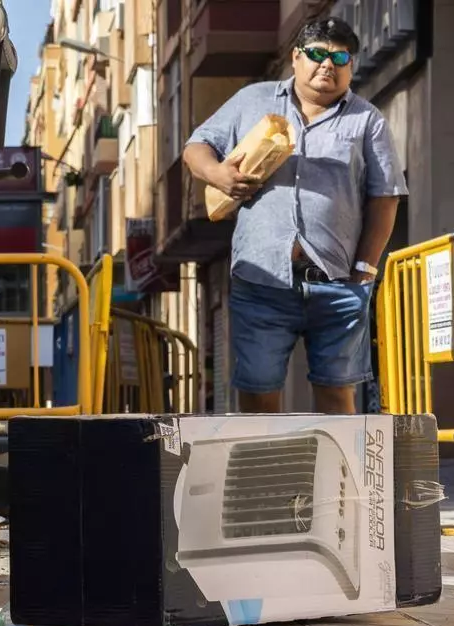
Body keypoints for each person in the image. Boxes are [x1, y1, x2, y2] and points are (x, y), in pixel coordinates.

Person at [182, 16, 406, 415]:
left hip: (338, 285)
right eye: (318, 54)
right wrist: (217, 173)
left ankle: (337, 462)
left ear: (351, 66)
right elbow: (196, 147)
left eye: (340, 57)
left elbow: (385, 197)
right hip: (261, 281)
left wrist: (366, 268)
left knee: (337, 396)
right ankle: (268, 461)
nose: (328, 64)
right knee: (258, 395)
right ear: (296, 57)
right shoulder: (253, 101)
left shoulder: (367, 120)